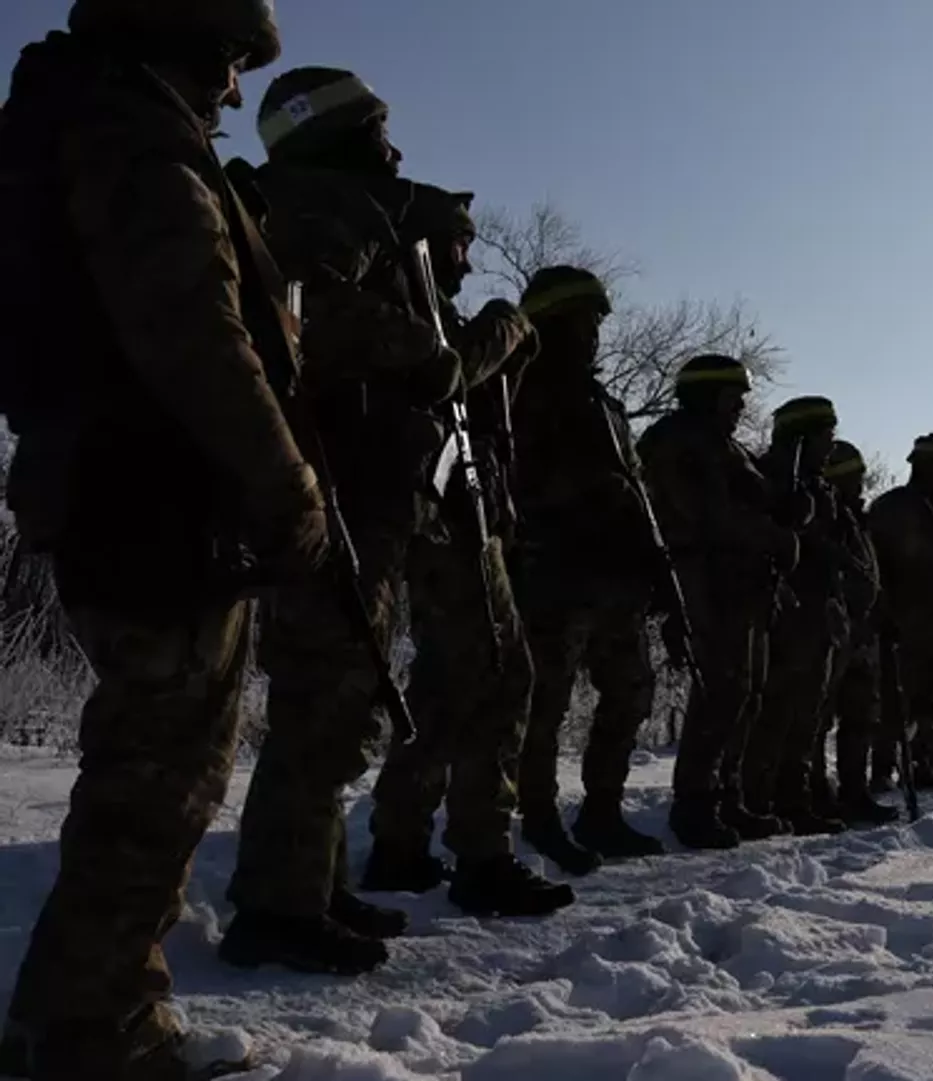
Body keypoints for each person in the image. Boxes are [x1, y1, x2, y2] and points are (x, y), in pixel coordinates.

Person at [0, 2, 315, 1075]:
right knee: (160, 777)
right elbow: (198, 337)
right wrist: (286, 485)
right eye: (225, 62)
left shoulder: (77, 129)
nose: (232, 92)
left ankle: (81, 1013)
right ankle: (94, 1027)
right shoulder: (136, 144)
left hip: (118, 493)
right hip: (152, 503)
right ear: (174, 43)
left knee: (149, 766)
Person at [220, 64, 459, 975]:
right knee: (323, 701)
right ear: (340, 132)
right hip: (337, 484)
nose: (393, 149)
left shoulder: (334, 204)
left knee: (340, 699)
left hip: (359, 487)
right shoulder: (324, 205)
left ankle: (313, 883)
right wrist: (425, 352)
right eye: (378, 128)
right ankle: (276, 906)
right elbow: (312, 313)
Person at [361, 186, 574, 916]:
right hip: (444, 520)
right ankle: (482, 850)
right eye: (460, 242)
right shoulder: (410, 310)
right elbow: (450, 370)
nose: (468, 259)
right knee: (503, 675)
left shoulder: (412, 308)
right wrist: (505, 326)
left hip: (449, 517)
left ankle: (401, 840)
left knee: (445, 686)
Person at [509, 266, 675, 870]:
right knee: (544, 703)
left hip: (612, 576)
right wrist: (590, 488)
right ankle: (538, 815)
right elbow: (517, 479)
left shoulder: (603, 402)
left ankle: (602, 810)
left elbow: (632, 485)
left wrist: (647, 554)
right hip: (555, 570)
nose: (595, 335)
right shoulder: (523, 389)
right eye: (585, 322)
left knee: (631, 691)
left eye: (597, 324)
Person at [637, 355, 798, 849]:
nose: (741, 407)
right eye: (733, 397)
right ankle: (694, 803)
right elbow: (706, 515)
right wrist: (772, 533)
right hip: (703, 580)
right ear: (708, 397)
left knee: (743, 694)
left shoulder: (725, 446)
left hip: (739, 585)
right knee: (719, 691)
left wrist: (786, 506)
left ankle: (726, 796)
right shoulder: (677, 441)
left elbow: (751, 499)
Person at [747, 398, 851, 835]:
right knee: (777, 709)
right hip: (786, 610)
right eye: (826, 435)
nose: (831, 445)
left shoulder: (817, 486)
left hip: (816, 611)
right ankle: (759, 798)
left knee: (807, 712)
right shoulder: (768, 476)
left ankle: (795, 798)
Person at [868, 436, 933, 793]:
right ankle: (882, 768)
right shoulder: (891, 507)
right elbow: (876, 562)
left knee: (930, 699)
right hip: (903, 617)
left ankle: (921, 762)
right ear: (918, 465)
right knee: (895, 698)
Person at [821, 441, 904, 825]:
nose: (860, 484)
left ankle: (854, 793)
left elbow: (870, 573)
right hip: (833, 629)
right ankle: (813, 792)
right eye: (854, 477)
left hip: (864, 630)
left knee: (861, 715)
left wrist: (882, 610)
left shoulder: (858, 520)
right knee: (818, 717)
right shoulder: (824, 515)